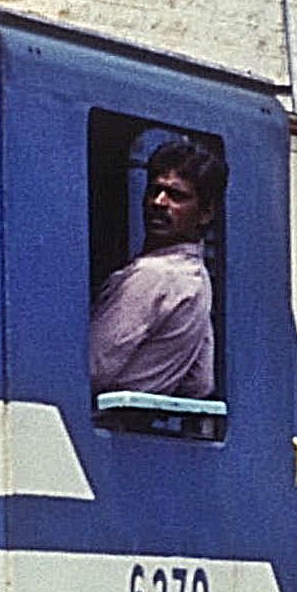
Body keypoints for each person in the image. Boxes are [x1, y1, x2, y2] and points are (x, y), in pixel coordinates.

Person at [89, 137, 220, 399]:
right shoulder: (197, 280)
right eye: (154, 190)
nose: (158, 202)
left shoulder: (154, 275)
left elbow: (92, 368)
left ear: (205, 213)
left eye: (176, 195)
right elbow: (200, 382)